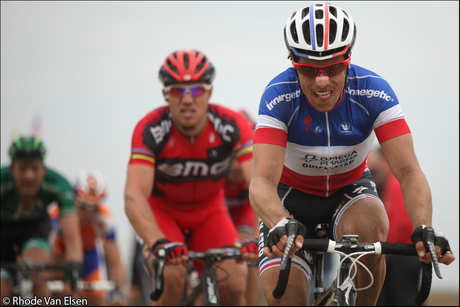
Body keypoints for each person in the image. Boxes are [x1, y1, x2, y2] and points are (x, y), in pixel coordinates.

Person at [248, 3, 455, 306]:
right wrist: (278, 221)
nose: (321, 81)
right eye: (308, 69)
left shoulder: (373, 92)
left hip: (350, 193)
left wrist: (423, 227)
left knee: (371, 224)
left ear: (348, 61)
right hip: (289, 201)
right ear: (293, 64)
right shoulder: (279, 96)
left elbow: (409, 172)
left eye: (332, 68)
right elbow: (261, 181)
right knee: (283, 299)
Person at [124, 49, 258, 306]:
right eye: (177, 90)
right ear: (166, 94)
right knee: (172, 275)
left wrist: (255, 236)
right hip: (163, 213)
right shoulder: (149, 129)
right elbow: (134, 196)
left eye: (195, 90)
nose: (187, 99)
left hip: (210, 213)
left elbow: (259, 183)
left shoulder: (232, 126)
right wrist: (157, 241)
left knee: (235, 281)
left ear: (209, 92)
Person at [1, 135, 83, 301]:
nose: (29, 176)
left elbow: (73, 240)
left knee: (37, 273)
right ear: (11, 170)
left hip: (34, 227)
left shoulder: (59, 185)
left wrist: (73, 272)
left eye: (35, 169)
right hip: (2, 231)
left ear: (44, 170)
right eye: (22, 168)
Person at [49, 169, 126, 306]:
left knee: (96, 300)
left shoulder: (104, 219)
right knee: (60, 296)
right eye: (83, 207)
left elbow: (114, 260)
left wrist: (118, 290)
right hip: (61, 254)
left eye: (94, 208)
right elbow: (47, 245)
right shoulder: (57, 213)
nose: (88, 213)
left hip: (89, 257)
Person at [367, 147, 423, 306]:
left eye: (376, 167)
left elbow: (401, 224)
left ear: (386, 162)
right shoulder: (390, 185)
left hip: (401, 254)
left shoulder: (395, 185)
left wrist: (383, 249)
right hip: (398, 253)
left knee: (402, 299)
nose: (373, 172)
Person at [223, 109, 262, 306]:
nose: (238, 165)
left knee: (248, 256)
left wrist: (256, 238)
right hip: (217, 215)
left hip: (244, 213)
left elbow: (260, 202)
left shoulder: (256, 164)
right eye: (232, 155)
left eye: (245, 154)